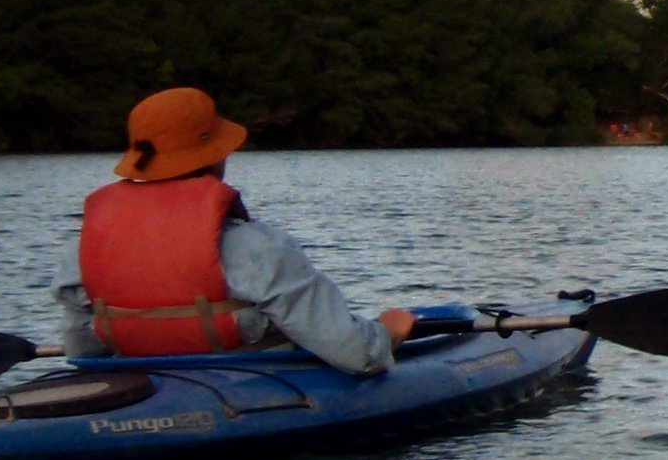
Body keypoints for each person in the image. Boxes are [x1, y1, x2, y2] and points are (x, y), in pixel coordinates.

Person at [54, 87, 417, 375]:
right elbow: (357, 355)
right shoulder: (255, 248)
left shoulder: (83, 250)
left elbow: (83, 350)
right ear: (215, 155)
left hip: (144, 387)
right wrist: (388, 332)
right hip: (251, 386)